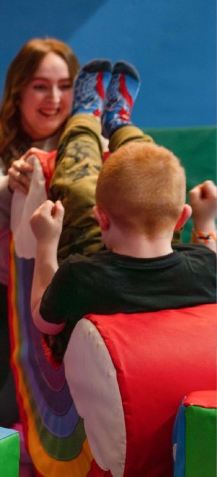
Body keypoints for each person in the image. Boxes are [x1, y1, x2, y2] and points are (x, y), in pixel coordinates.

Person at [29, 59, 217, 362]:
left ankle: (86, 117)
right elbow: (211, 259)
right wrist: (207, 220)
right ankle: (117, 123)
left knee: (78, 188)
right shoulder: (204, 268)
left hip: (99, 283)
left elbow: (44, 321)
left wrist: (46, 242)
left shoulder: (79, 275)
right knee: (150, 170)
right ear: (184, 217)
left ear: (100, 217)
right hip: (156, 272)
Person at [0, 38, 81, 427]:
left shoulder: (89, 145)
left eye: (66, 85)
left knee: (49, 408)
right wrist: (6, 187)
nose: (54, 98)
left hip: (52, 294)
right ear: (18, 90)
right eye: (41, 85)